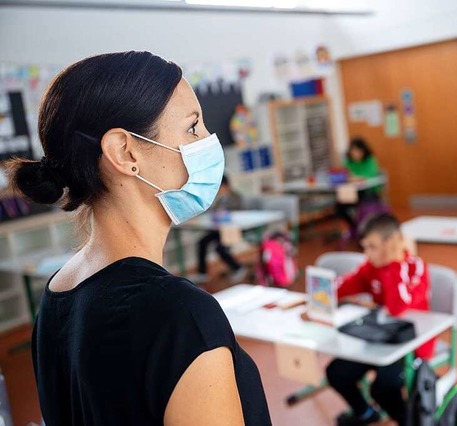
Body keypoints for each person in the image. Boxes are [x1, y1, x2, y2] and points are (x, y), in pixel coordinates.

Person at [9, 52, 270, 425]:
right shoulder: (180, 315)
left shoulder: (58, 293)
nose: (209, 141)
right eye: (193, 128)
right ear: (125, 152)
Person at [322, 213, 434, 426]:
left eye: (372, 247)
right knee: (336, 372)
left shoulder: (415, 268)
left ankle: (407, 421)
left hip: (412, 345)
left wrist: (394, 264)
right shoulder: (371, 267)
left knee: (383, 388)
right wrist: (320, 295)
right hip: (379, 338)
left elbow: (397, 307)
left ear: (391, 243)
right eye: (365, 246)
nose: (367, 253)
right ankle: (365, 414)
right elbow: (345, 285)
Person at [195, 174, 247, 283]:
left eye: (219, 187)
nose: (218, 190)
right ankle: (202, 273)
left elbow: (238, 214)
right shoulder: (219, 199)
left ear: (226, 186)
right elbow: (213, 213)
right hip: (219, 230)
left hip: (233, 230)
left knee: (220, 248)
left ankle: (238, 268)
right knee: (202, 242)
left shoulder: (236, 197)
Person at [336, 137, 382, 236]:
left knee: (364, 203)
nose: (355, 153)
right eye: (353, 150)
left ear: (363, 151)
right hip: (352, 192)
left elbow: (369, 176)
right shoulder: (349, 162)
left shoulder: (370, 160)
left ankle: (365, 228)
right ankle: (355, 227)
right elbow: (344, 173)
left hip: (369, 191)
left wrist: (356, 178)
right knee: (339, 206)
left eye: (357, 150)